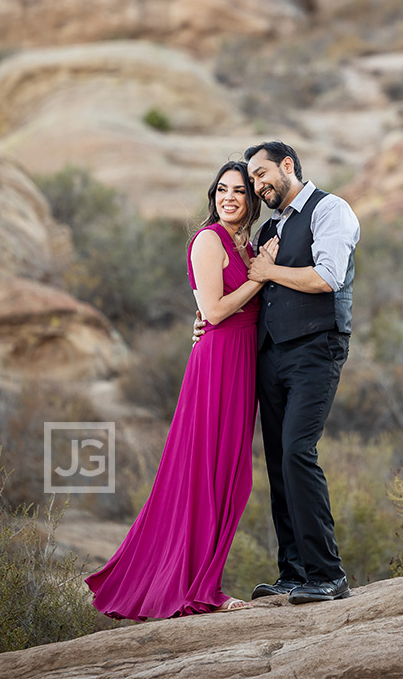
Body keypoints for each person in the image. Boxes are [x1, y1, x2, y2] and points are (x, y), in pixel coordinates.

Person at [85, 161, 278, 618]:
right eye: (223, 190)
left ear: (251, 201)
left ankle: (200, 579)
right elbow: (212, 312)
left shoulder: (245, 244)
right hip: (216, 366)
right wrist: (260, 276)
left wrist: (259, 269)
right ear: (213, 195)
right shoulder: (208, 240)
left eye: (239, 191)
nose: (229, 197)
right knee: (204, 475)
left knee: (231, 476)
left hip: (241, 365)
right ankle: (198, 589)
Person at [195, 141, 360, 605]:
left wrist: (267, 271)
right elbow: (237, 292)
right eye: (255, 180)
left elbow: (327, 277)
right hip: (270, 354)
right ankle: (292, 572)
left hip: (316, 348)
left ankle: (328, 574)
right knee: (277, 463)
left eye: (263, 174)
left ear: (288, 166)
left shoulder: (331, 210)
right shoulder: (271, 226)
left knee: (297, 452)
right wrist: (206, 320)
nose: (259, 184)